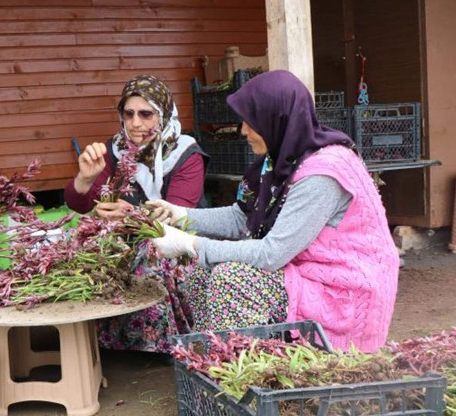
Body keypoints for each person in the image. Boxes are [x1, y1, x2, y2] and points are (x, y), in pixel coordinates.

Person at [148, 70, 399, 353]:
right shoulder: (277, 162)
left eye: (251, 122)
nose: (243, 131)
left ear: (276, 120)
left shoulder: (323, 174)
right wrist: (180, 215)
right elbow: (240, 217)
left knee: (231, 279)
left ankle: (247, 381)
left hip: (340, 291)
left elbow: (271, 254)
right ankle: (213, 367)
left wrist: (191, 244)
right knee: (199, 276)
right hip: (301, 275)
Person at [64, 74, 210, 354]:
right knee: (82, 245)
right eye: (128, 114)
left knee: (151, 253)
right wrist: (85, 181)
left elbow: (174, 217)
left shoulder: (185, 154)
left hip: (173, 240)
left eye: (146, 114)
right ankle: (102, 342)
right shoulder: (115, 149)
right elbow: (77, 204)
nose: (135, 123)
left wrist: (127, 215)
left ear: (163, 114)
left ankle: (159, 343)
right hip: (127, 236)